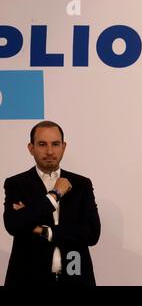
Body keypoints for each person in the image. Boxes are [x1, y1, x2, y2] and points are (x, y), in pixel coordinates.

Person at [3, 121, 101, 286]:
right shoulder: (16, 183)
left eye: (55, 144)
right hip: (27, 277)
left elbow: (92, 233)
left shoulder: (81, 184)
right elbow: (13, 224)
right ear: (31, 148)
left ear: (63, 147)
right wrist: (54, 195)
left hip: (74, 273)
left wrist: (44, 231)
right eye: (42, 144)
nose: (49, 151)